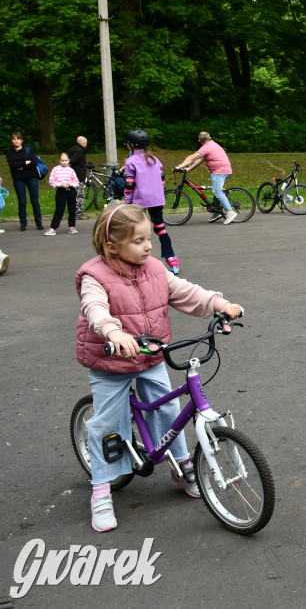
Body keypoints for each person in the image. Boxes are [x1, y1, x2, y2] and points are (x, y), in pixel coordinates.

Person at [76, 203, 242, 531]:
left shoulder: (154, 268)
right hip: (111, 359)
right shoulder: (94, 275)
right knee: (109, 421)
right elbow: (94, 308)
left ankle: (182, 464)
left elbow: (186, 293)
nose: (148, 246)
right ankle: (101, 488)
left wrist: (219, 304)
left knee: (167, 410)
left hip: (151, 355)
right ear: (112, 246)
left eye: (149, 238)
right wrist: (113, 331)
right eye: (138, 241)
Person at [123, 130, 180, 275]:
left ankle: (134, 259)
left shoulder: (130, 162)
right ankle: (172, 259)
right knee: (160, 228)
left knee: (135, 229)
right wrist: (160, 198)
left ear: (131, 144)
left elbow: (130, 184)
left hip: (139, 200)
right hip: (155, 199)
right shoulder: (154, 159)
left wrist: (127, 202)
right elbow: (162, 179)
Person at [176, 131, 236, 224]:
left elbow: (192, 158)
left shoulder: (207, 147)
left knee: (217, 191)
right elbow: (199, 160)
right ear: (209, 137)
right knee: (217, 190)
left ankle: (229, 211)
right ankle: (217, 212)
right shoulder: (212, 145)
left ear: (199, 140)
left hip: (220, 171)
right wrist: (189, 169)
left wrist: (180, 166)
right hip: (222, 170)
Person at [5, 132, 43, 231]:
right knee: (22, 201)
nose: (16, 140)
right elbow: (12, 165)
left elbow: (34, 163)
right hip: (18, 179)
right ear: (12, 141)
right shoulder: (10, 152)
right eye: (14, 139)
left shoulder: (28, 150)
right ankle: (23, 223)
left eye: (18, 138)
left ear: (21, 140)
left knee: (35, 200)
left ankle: (39, 223)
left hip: (32, 177)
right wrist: (25, 163)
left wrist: (20, 166)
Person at [44, 152, 79, 235]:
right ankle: (53, 227)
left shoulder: (71, 170)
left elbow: (76, 181)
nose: (64, 162)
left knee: (72, 208)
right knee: (59, 209)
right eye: (62, 160)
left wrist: (72, 184)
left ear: (69, 160)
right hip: (61, 190)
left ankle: (72, 226)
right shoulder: (55, 169)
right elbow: (52, 181)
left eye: (66, 160)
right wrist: (60, 184)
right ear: (59, 160)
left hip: (71, 190)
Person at [67, 135, 89, 218]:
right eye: (86, 143)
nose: (86, 145)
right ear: (83, 143)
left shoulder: (71, 149)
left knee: (73, 195)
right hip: (78, 176)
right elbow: (73, 161)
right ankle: (78, 214)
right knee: (79, 195)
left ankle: (72, 212)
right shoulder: (80, 151)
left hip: (72, 175)